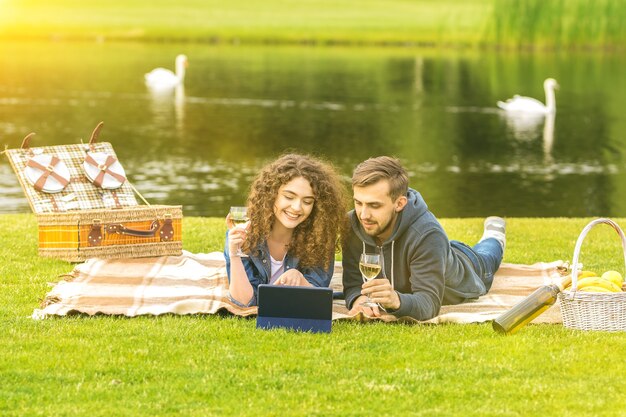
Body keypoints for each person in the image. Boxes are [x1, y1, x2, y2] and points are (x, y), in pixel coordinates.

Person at [342, 156, 505, 321]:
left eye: (374, 205)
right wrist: (359, 300)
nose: (363, 215)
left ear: (399, 203)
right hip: (436, 253)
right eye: (358, 203)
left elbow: (429, 304)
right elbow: (354, 283)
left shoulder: (427, 235)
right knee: (439, 249)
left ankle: (495, 235)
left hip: (470, 267)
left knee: (488, 254)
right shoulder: (352, 226)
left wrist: (396, 300)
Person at [224, 153, 347, 306]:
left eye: (307, 201)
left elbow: (317, 296)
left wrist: (300, 279)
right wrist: (234, 255)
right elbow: (245, 302)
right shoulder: (243, 235)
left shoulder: (320, 236)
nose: (297, 208)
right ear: (271, 194)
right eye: (289, 197)